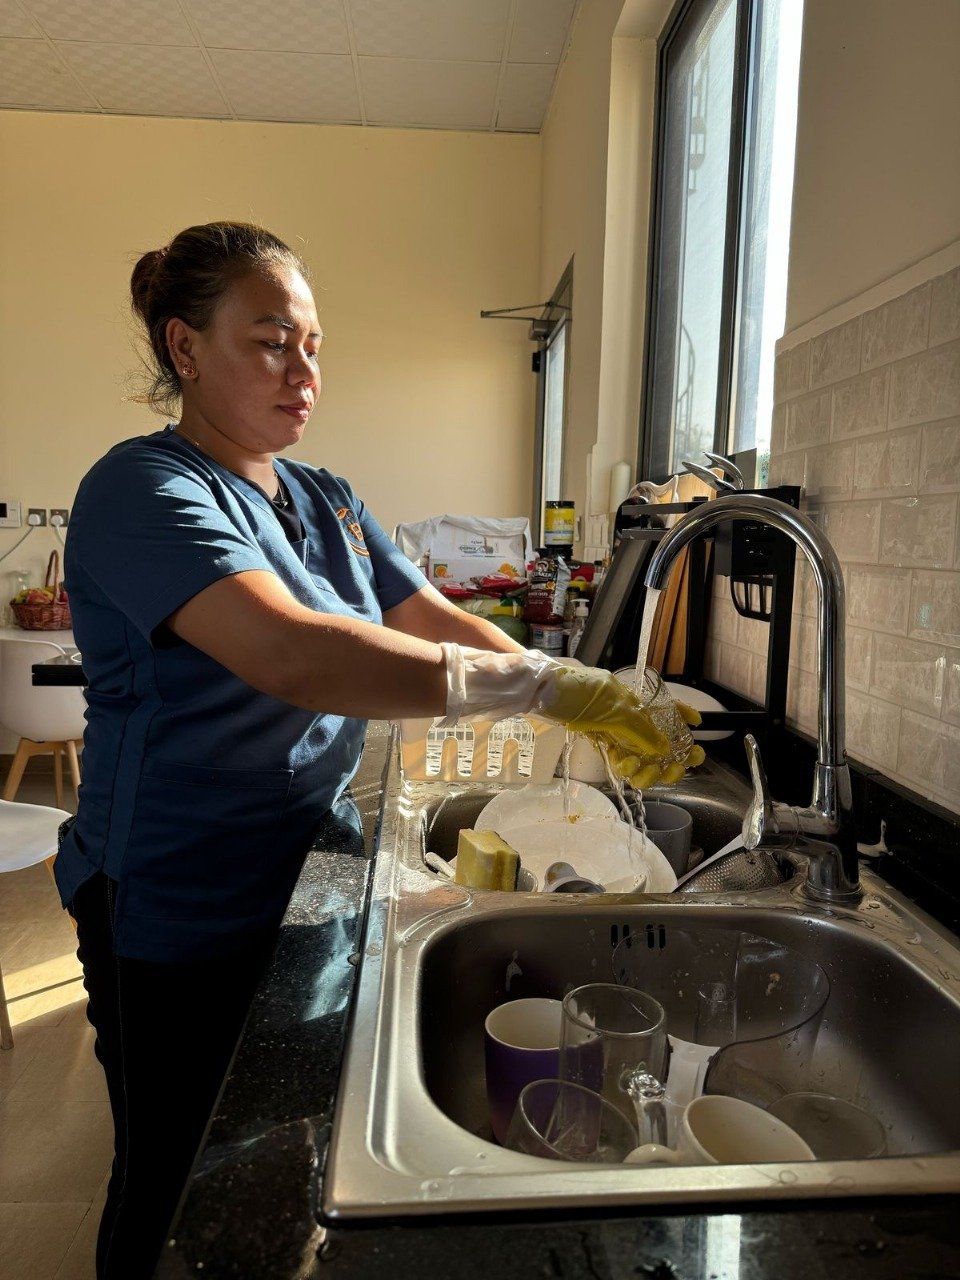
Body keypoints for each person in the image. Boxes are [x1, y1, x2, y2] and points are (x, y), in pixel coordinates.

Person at [55, 221, 702, 1279]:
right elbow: (293, 653)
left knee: (275, 1142)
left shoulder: (329, 501)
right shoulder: (142, 489)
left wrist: (579, 702)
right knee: (169, 1173)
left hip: (314, 866)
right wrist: (546, 680)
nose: (303, 371)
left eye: (313, 344)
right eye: (271, 341)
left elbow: (437, 621)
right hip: (176, 896)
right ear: (183, 347)